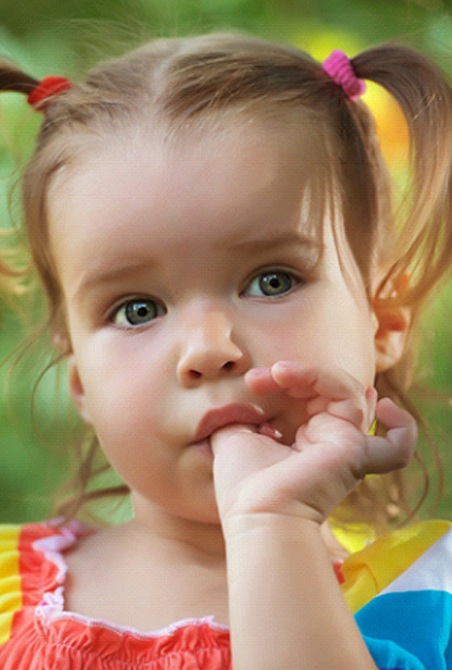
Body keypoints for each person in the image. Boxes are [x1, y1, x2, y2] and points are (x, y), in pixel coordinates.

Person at [0, 31, 450, 669]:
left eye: (272, 281)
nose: (210, 350)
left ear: (381, 320)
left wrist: (274, 525)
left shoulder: (425, 598)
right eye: (138, 310)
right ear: (79, 380)